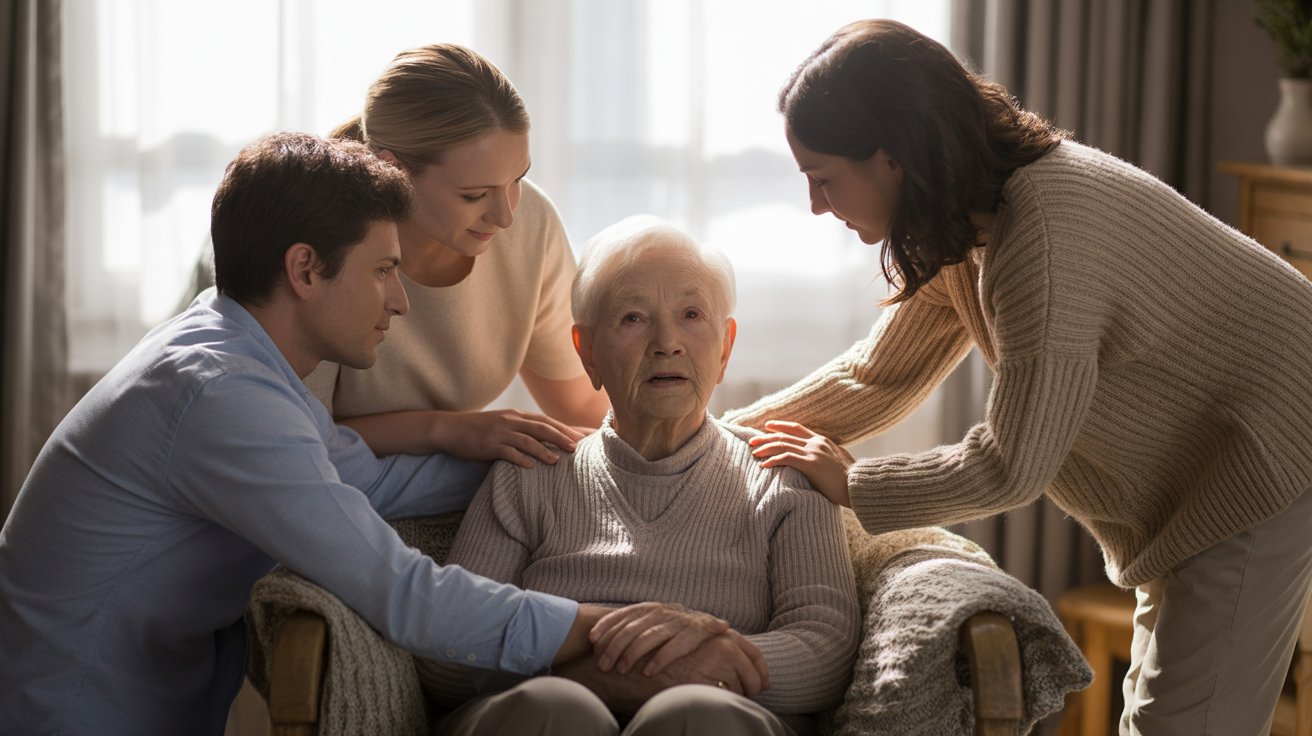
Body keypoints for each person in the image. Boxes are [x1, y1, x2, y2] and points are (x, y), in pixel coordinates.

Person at [0, 134, 711, 735]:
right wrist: (609, 626)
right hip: (70, 712)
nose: (399, 301)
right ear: (306, 269)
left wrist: (586, 462)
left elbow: (367, 481)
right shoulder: (220, 397)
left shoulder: (240, 359)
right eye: (382, 271)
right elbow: (403, 593)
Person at [724, 18, 1312, 736]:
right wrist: (708, 436)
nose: (817, 204)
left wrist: (854, 484)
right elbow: (874, 378)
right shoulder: (964, 225)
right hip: (1199, 474)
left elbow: (1012, 465)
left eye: (824, 179)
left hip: (1266, 447)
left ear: (891, 158)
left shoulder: (1041, 229)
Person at [415, 215, 860, 736]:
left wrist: (697, 672)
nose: (667, 342)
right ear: (587, 352)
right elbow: (444, 651)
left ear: (724, 348)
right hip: (546, 712)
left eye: (692, 314)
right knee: (556, 707)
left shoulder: (782, 475)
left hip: (719, 714)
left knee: (697, 713)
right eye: (632, 318)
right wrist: (591, 677)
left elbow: (825, 651)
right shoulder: (530, 472)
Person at [310, 43, 609, 468]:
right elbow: (296, 435)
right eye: (473, 195)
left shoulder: (530, 225)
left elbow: (578, 401)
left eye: (518, 180)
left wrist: (704, 438)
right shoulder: (322, 241)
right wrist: (448, 429)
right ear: (390, 168)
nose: (505, 215)